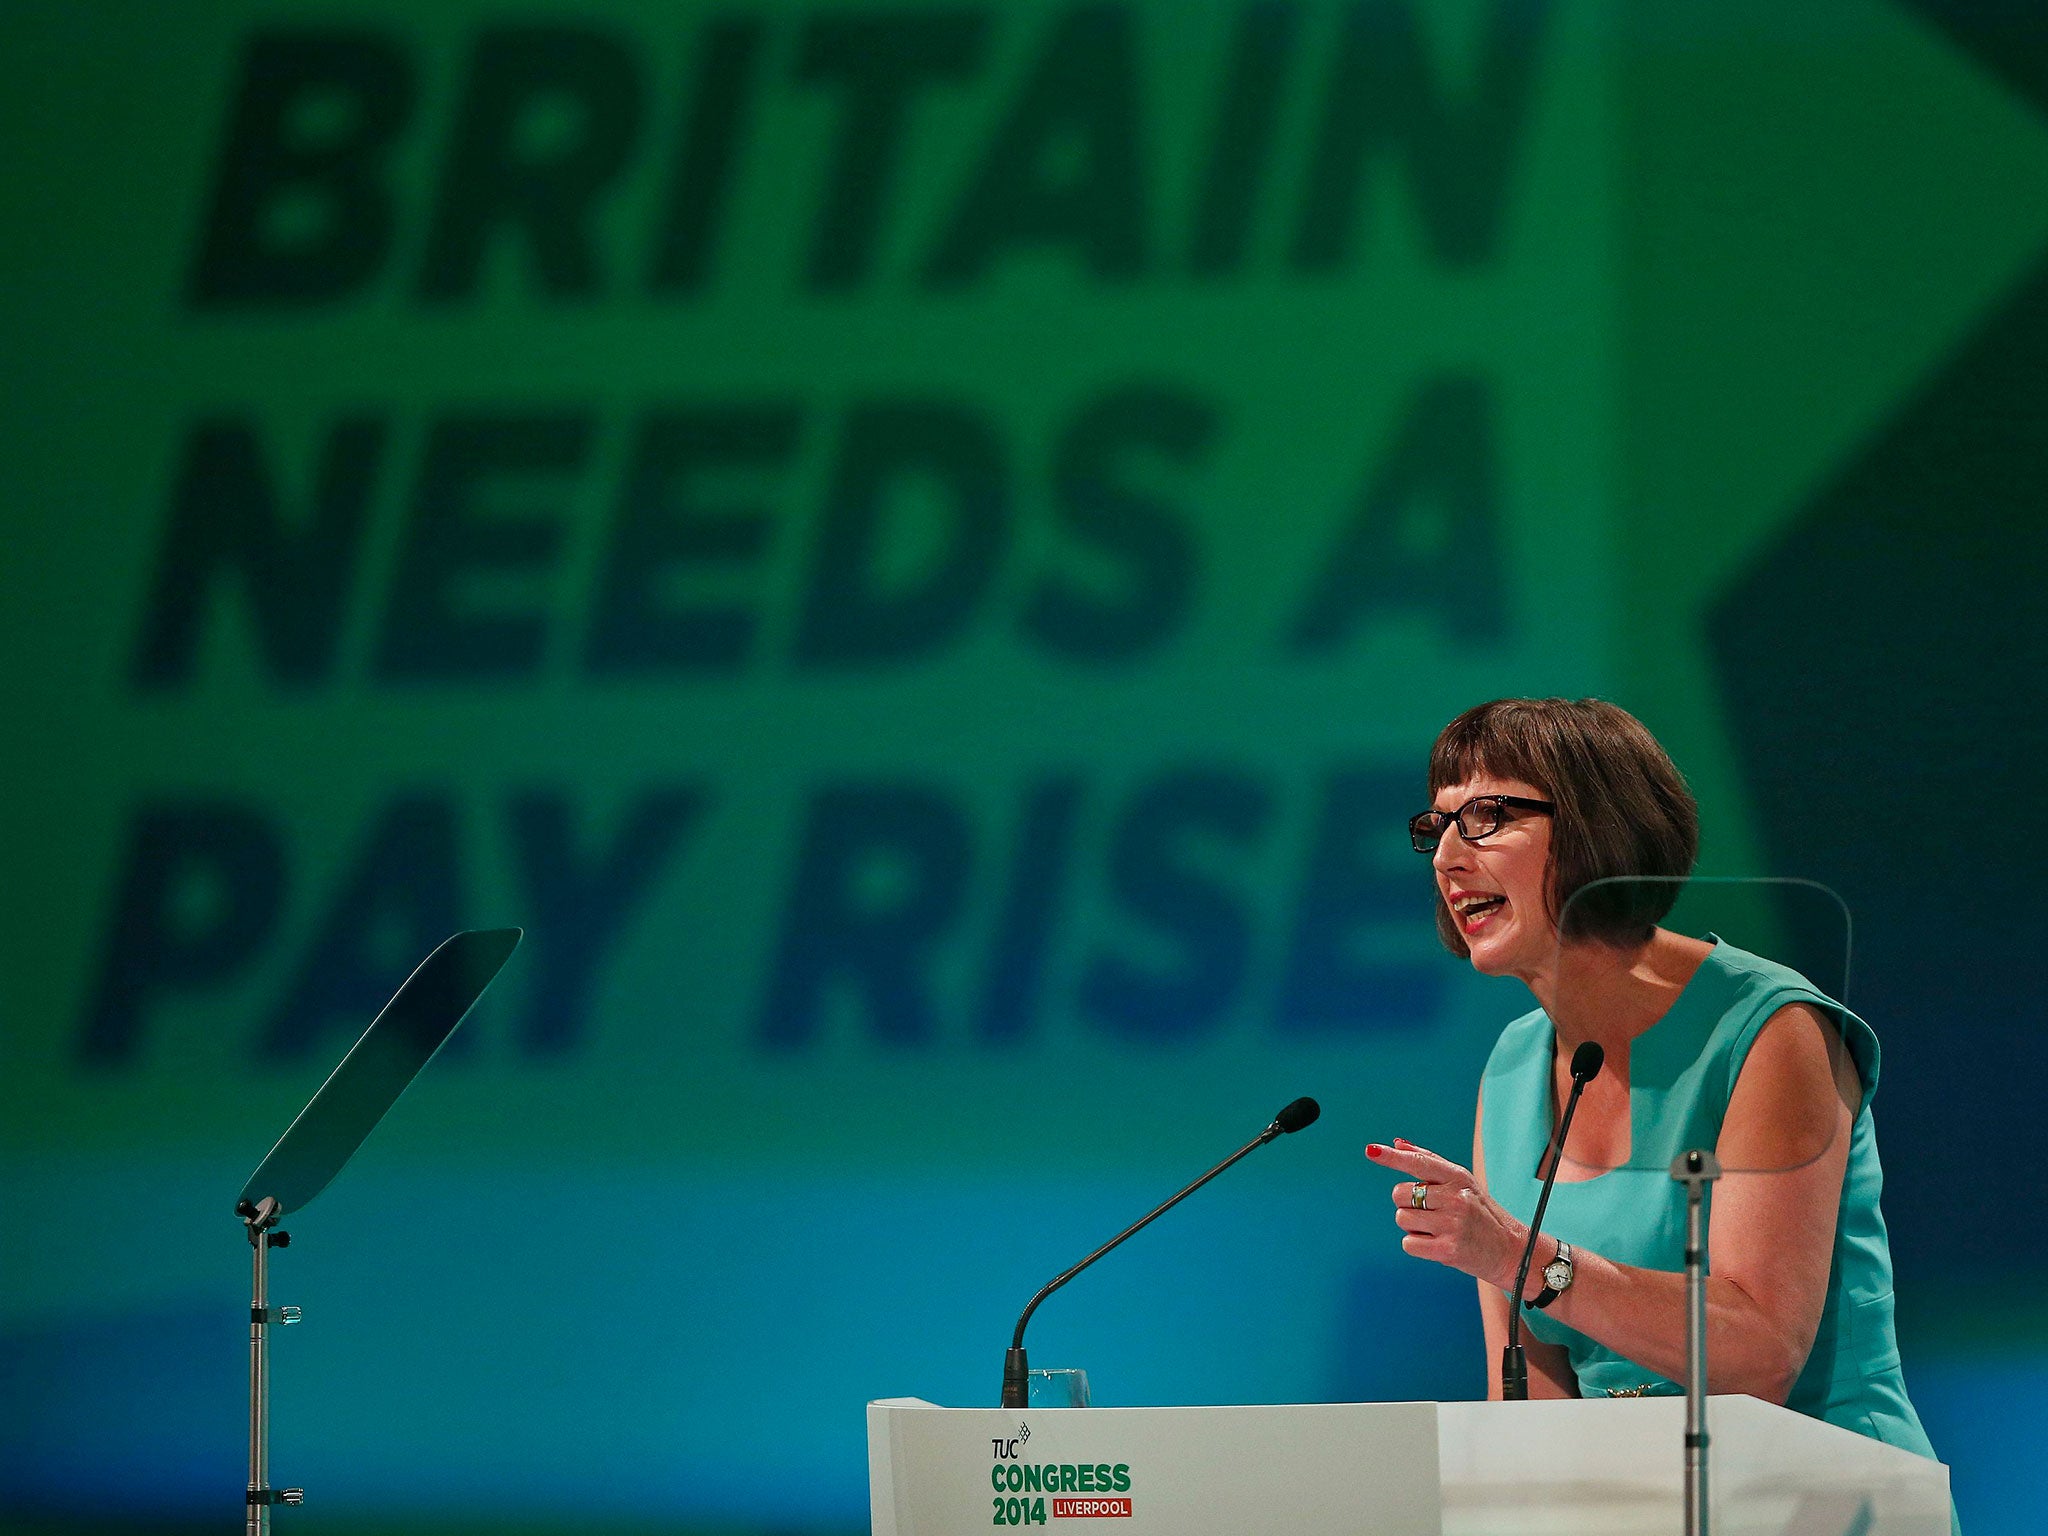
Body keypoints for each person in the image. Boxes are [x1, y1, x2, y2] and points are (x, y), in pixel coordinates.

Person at [1367, 698, 1949, 1498]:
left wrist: (1518, 1256)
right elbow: (1528, 1395)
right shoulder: (1509, 1069)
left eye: (1489, 817)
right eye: (1437, 828)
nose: (1447, 858)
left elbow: (1758, 1357)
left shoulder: (1769, 1030)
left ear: (1597, 827)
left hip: (1820, 1498)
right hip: (1630, 1509)